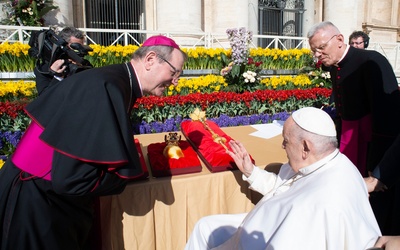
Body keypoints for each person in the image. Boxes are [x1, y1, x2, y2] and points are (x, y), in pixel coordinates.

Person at [0, 35, 187, 250]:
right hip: (34, 201)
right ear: (151, 59)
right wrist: (122, 178)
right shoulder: (108, 86)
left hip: (43, 195)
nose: (175, 82)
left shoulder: (116, 79)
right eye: (174, 72)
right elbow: (72, 179)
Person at [185, 107, 381, 249]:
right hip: (262, 223)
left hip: (265, 236)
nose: (282, 147)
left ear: (305, 147)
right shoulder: (322, 161)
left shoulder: (323, 201)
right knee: (205, 227)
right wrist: (251, 171)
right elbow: (283, 188)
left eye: (285, 141)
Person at [307, 21, 400, 235]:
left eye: (321, 48)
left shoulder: (371, 61)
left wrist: (377, 164)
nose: (318, 55)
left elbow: (386, 116)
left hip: (372, 143)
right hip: (350, 138)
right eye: (314, 50)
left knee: (375, 200)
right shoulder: (335, 65)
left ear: (339, 40)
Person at [33, 27, 92, 95]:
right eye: (75, 46)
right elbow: (44, 97)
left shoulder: (85, 64)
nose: (79, 50)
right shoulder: (45, 69)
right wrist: (57, 77)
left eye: (81, 46)